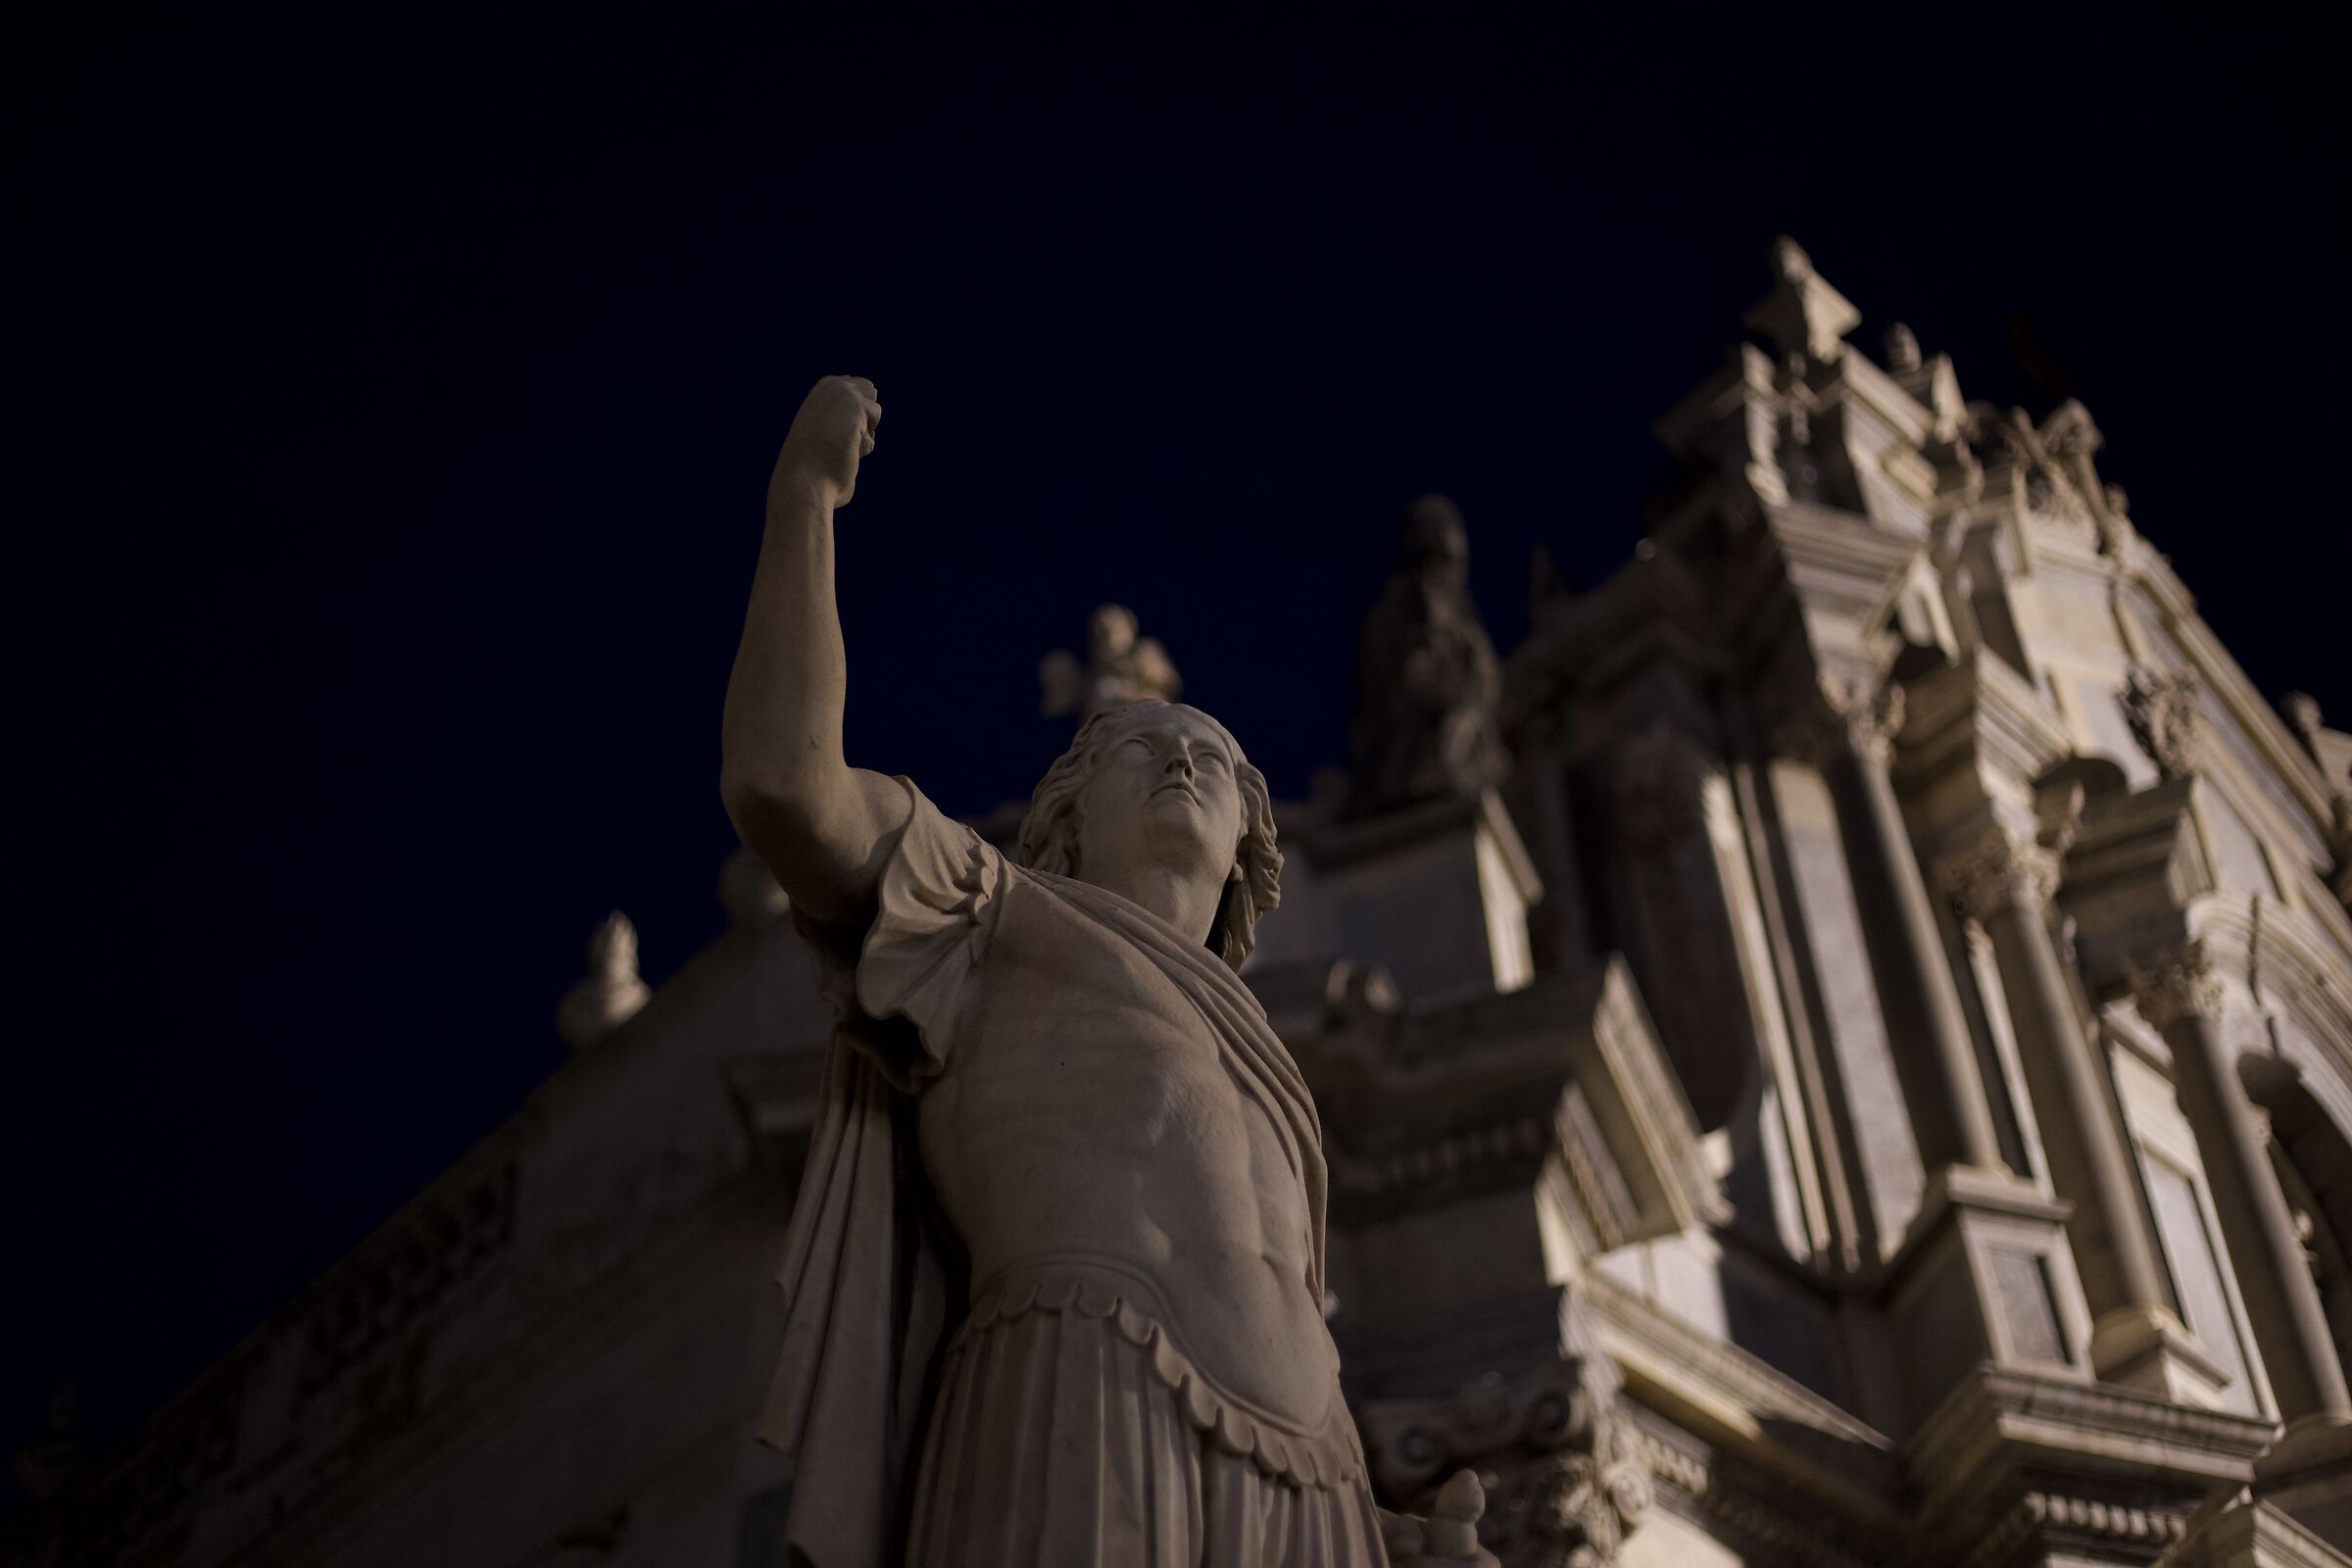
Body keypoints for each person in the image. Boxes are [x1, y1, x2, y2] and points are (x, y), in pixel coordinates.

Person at [720, 377, 1492, 1567]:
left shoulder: (1277, 1071)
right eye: (1144, 749)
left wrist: (1390, 1540)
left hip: (1321, 1486)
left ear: (1248, 846)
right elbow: (785, 783)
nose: (1185, 762)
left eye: (1213, 761)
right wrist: (806, 502)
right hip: (1078, 1374)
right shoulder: (989, 913)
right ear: (1066, 819)